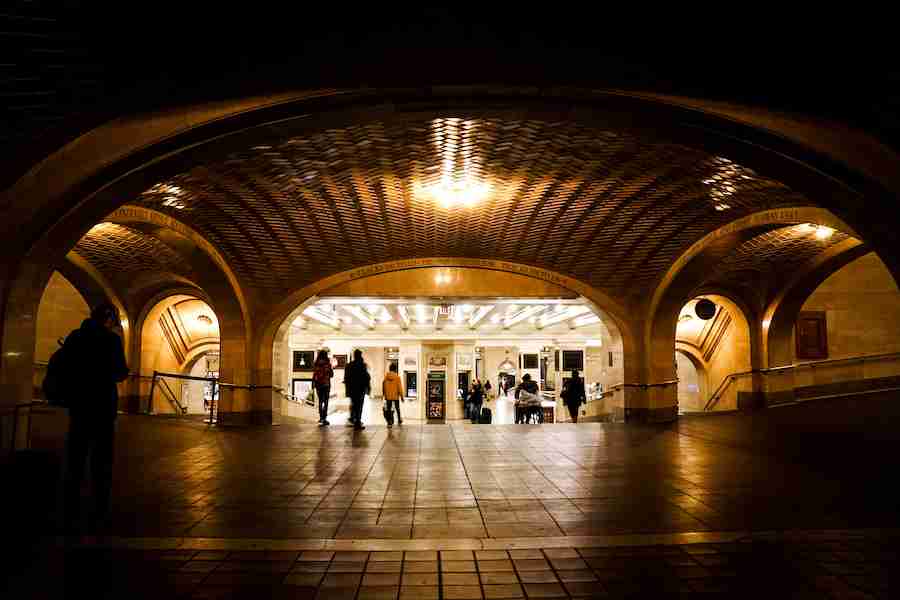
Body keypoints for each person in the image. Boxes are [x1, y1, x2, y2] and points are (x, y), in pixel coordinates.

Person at [62, 303, 130, 537]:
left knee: (76, 452)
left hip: (79, 403)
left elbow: (65, 366)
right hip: (102, 405)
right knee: (101, 456)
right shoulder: (110, 340)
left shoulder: (75, 337)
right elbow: (121, 372)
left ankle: (70, 499)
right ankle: (99, 503)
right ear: (108, 318)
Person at [344, 349, 370, 430]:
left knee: (354, 404)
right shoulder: (362, 365)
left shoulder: (349, 365)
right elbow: (366, 377)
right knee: (359, 405)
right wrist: (368, 387)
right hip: (360, 388)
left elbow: (346, 378)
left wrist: (347, 388)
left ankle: (353, 418)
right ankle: (357, 421)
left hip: (352, 388)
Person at [312, 349, 334, 426]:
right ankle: (324, 418)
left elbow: (314, 375)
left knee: (320, 401)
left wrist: (313, 384)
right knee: (326, 401)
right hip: (326, 384)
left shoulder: (316, 364)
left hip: (318, 385)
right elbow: (331, 375)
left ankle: (321, 417)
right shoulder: (327, 364)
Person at [382, 362, 404, 428]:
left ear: (389, 369)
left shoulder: (386, 377)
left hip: (388, 396)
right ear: (395, 369)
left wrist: (384, 394)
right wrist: (402, 396)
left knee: (388, 409)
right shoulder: (397, 377)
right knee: (397, 408)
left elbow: (383, 386)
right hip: (395, 396)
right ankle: (399, 420)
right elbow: (399, 388)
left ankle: (389, 422)